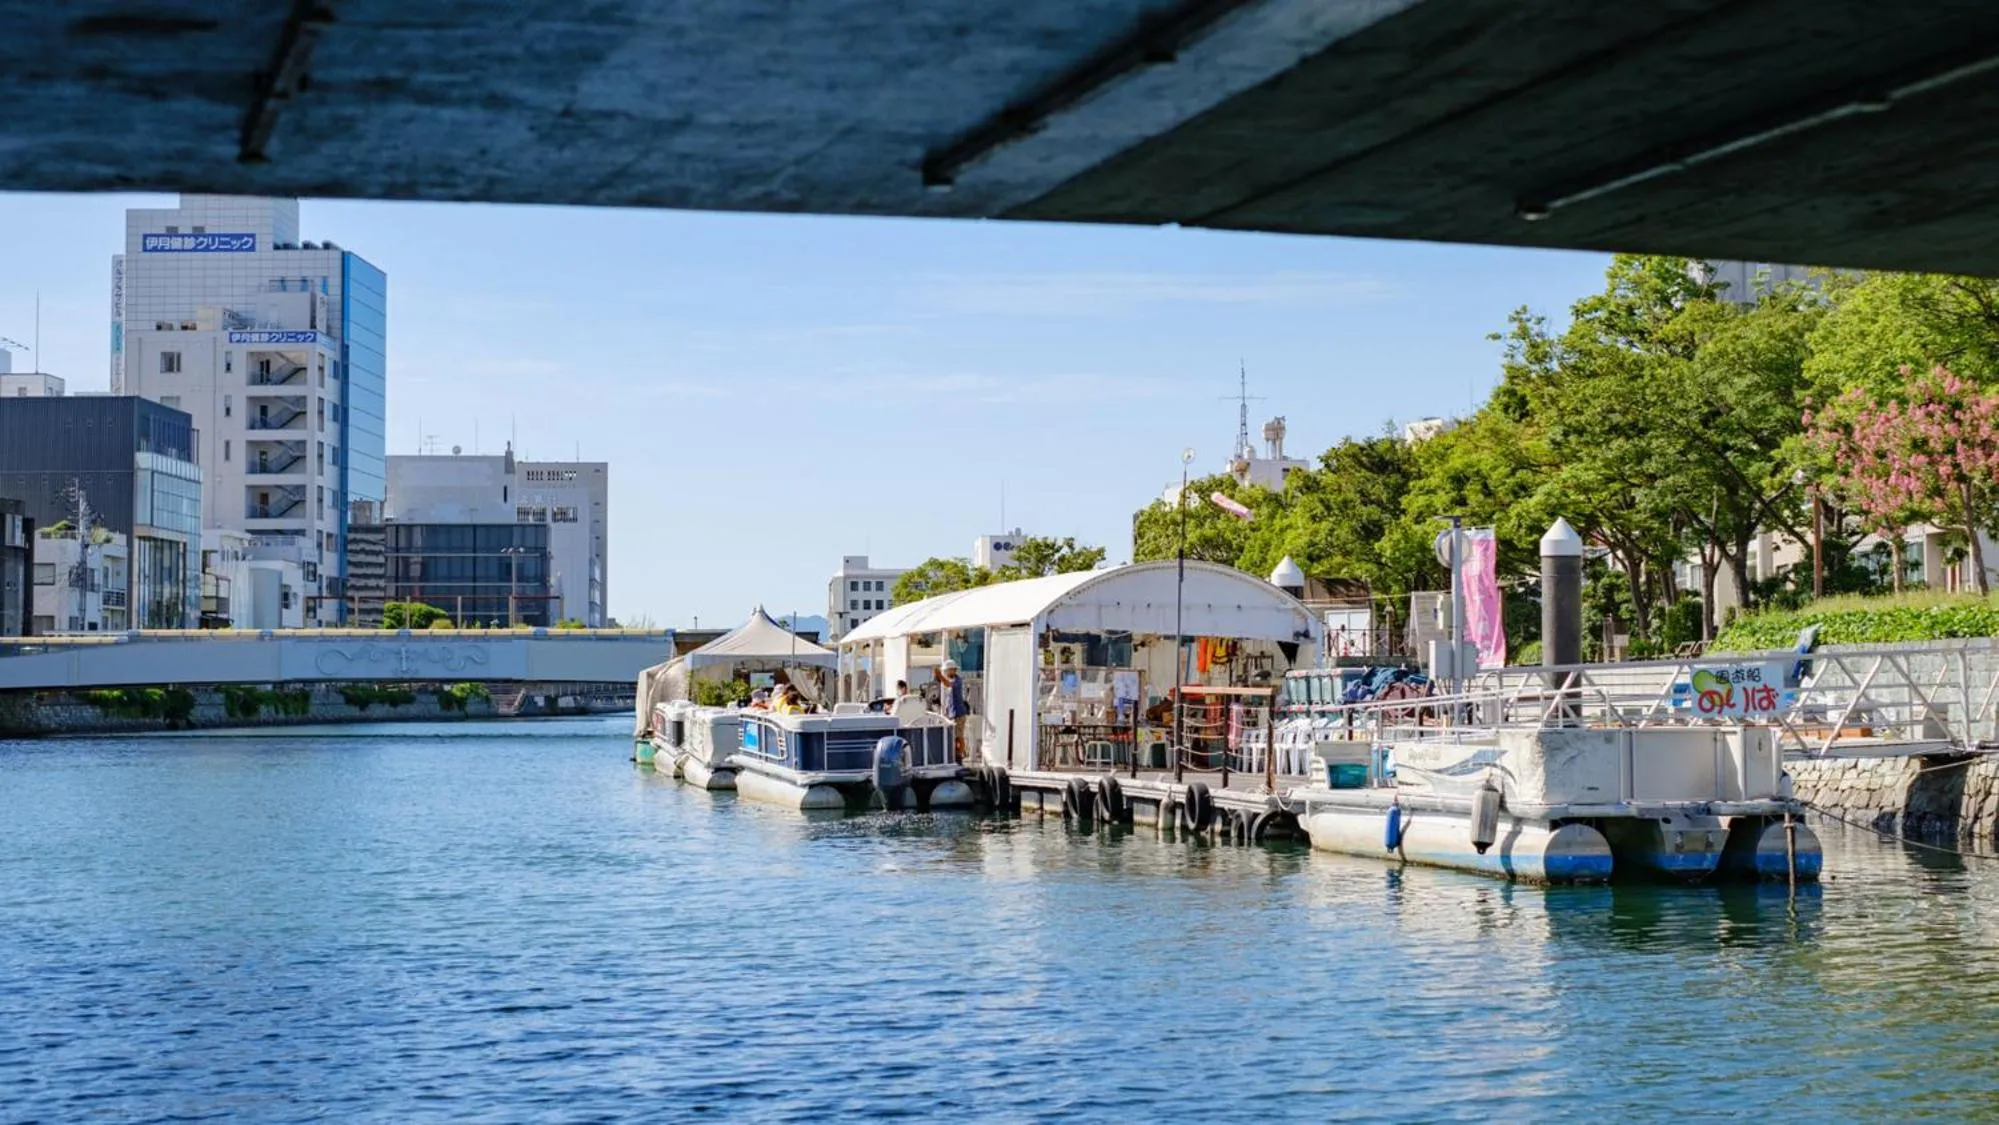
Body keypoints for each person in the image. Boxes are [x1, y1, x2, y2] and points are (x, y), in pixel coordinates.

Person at [937, 661, 970, 763]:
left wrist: (939, 676)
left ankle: (959, 756)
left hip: (958, 714)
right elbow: (950, 699)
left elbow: (947, 684)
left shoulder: (957, 680)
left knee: (959, 736)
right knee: (955, 737)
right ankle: (957, 754)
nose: (946, 673)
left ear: (952, 670)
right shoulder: (953, 681)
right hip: (953, 714)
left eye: (947, 671)